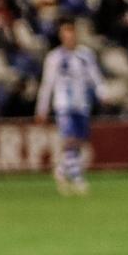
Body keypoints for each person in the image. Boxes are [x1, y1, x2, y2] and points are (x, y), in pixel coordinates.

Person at [34, 18, 103, 195]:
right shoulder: (54, 57)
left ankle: (61, 170)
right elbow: (47, 84)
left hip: (82, 104)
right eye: (66, 35)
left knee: (79, 141)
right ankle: (78, 178)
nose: (70, 38)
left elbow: (95, 76)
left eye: (72, 34)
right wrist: (42, 109)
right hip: (63, 104)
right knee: (70, 138)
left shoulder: (86, 55)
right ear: (61, 37)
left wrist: (103, 92)